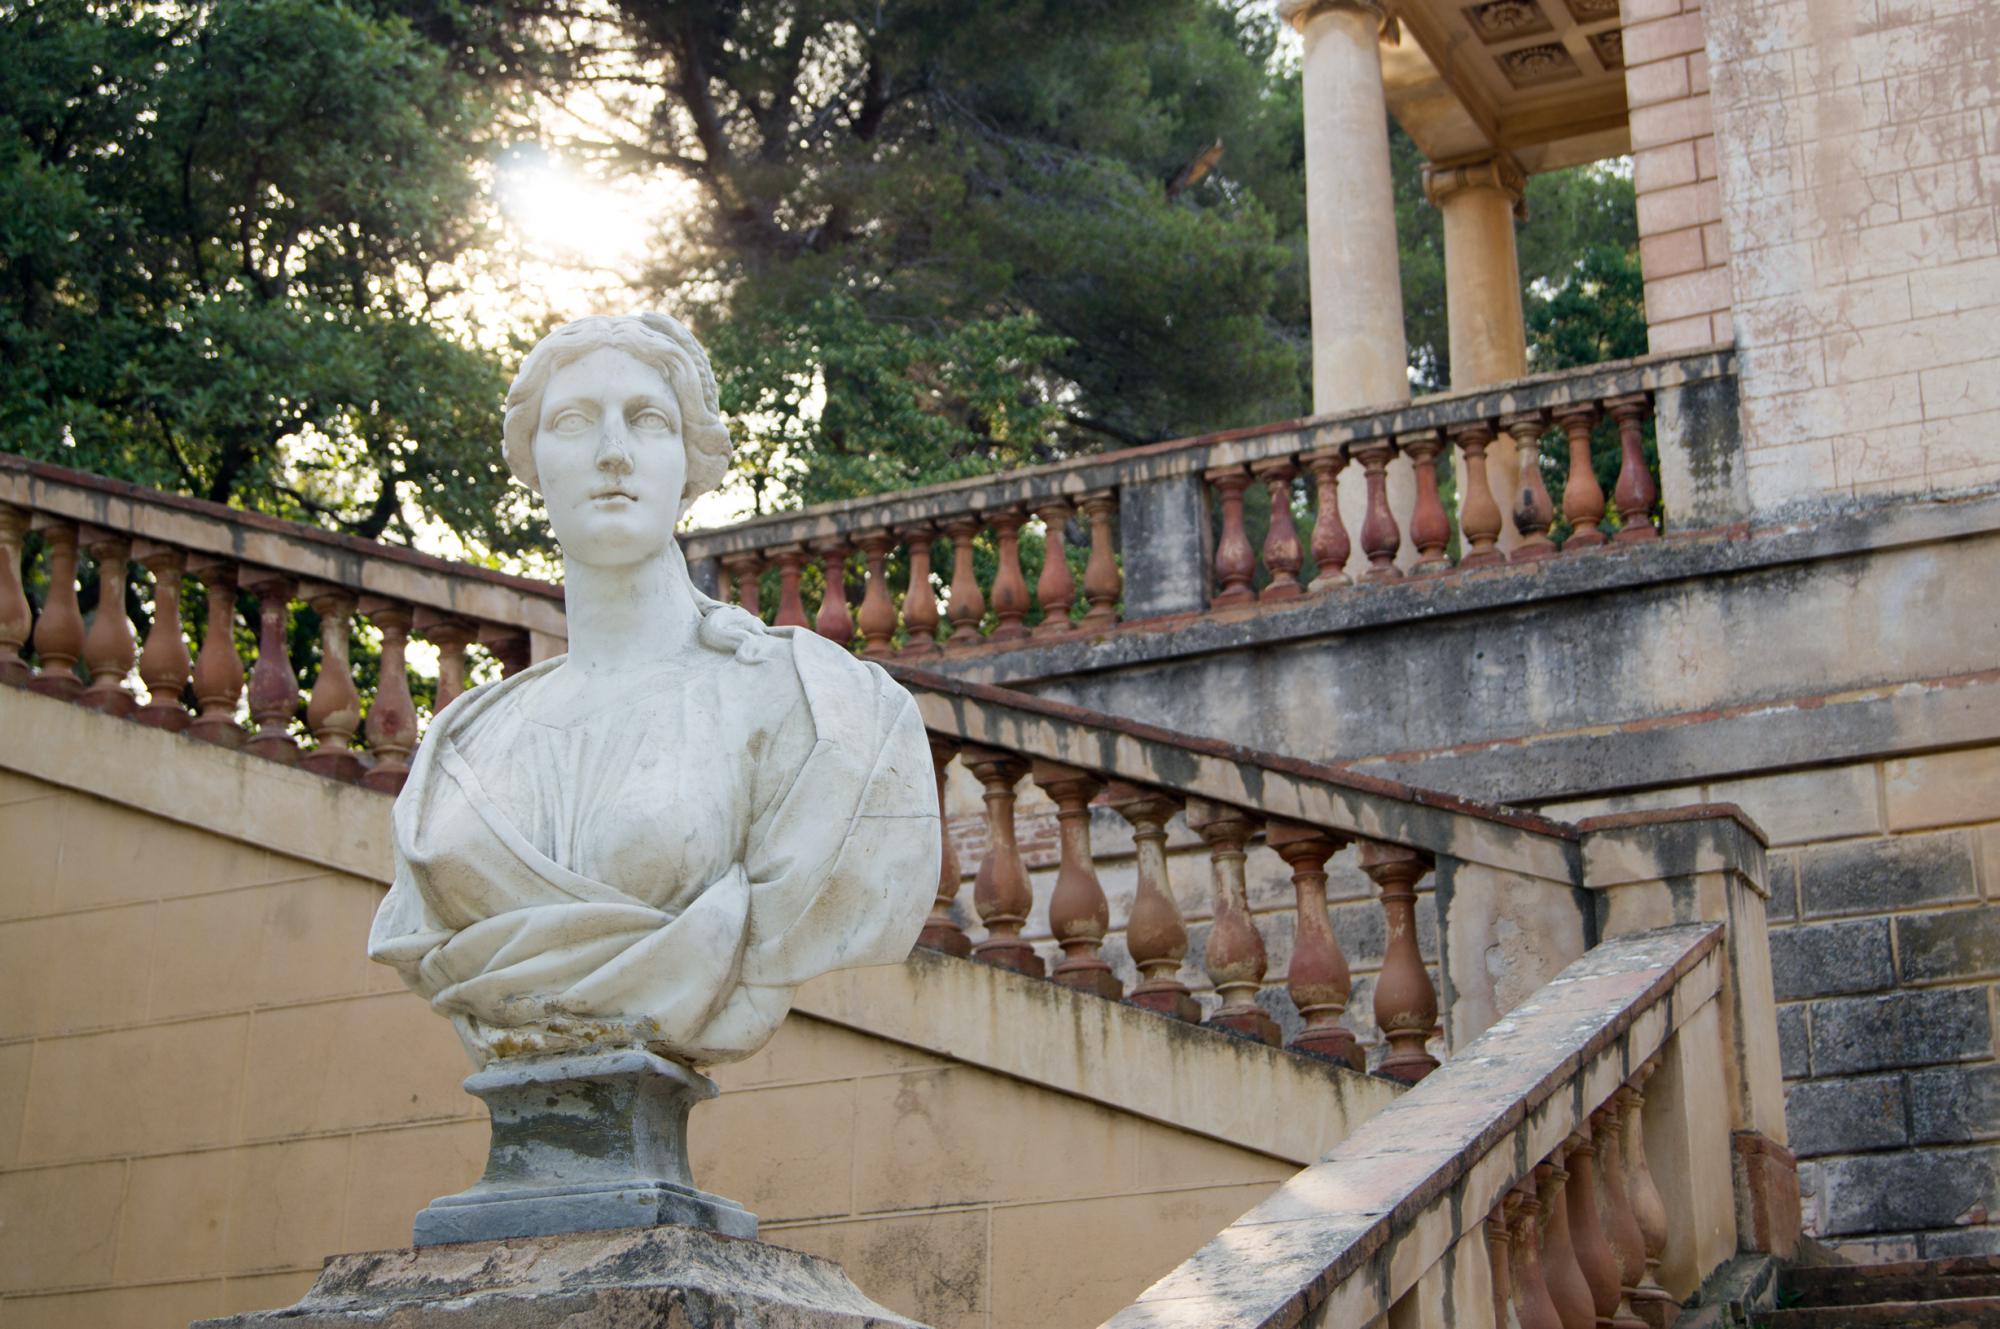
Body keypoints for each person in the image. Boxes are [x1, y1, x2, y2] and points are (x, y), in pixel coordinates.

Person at [368, 313, 937, 1069]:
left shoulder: (816, 709)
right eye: (573, 421)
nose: (612, 454)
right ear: (531, 460)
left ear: (690, 459)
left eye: (648, 421)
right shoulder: (465, 744)